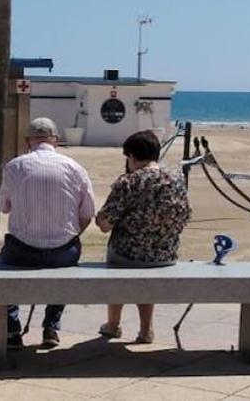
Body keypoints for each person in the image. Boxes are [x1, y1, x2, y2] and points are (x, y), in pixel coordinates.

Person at [0, 116, 95, 350]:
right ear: (56, 141)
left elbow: (4, 207)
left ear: (27, 140)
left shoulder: (14, 166)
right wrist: (71, 236)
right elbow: (87, 213)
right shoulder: (75, 168)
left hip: (21, 249)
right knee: (65, 271)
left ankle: (11, 330)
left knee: (0, 274)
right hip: (63, 251)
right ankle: (51, 326)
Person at [95, 129, 191, 343]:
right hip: (165, 254)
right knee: (145, 274)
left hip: (127, 254)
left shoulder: (129, 182)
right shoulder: (176, 178)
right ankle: (146, 329)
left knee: (117, 263)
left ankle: (113, 324)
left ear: (131, 156)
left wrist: (99, 217)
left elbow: (105, 225)